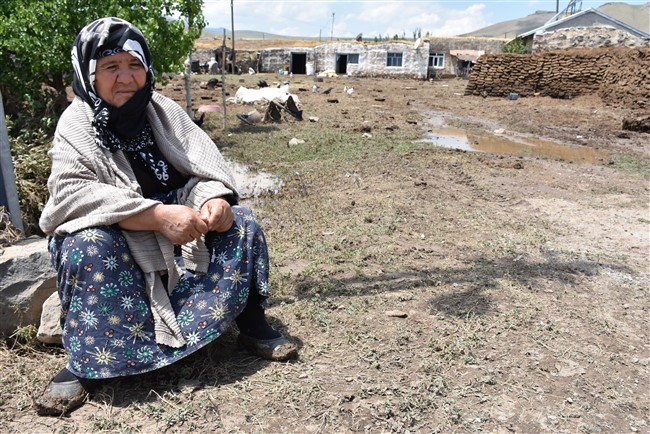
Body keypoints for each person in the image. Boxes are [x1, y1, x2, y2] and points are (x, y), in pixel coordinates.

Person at [35, 17, 297, 416]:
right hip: (123, 248)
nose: (126, 77)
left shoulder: (164, 110)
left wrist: (213, 202)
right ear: (89, 74)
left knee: (241, 222)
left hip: (183, 239)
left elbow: (206, 169)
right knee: (88, 244)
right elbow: (71, 197)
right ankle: (88, 361)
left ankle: (250, 324)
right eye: (110, 66)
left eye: (134, 64)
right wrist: (155, 216)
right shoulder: (76, 124)